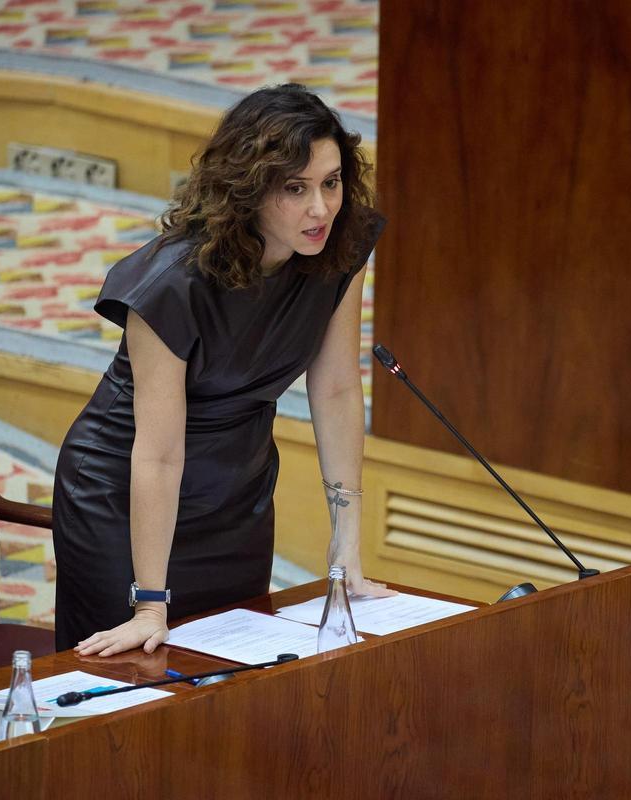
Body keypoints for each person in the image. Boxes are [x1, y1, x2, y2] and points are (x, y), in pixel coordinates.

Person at [53, 83, 395, 656]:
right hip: (123, 501)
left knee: (230, 674)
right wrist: (150, 601)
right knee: (132, 685)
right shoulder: (170, 286)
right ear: (249, 190)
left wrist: (347, 547)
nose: (321, 209)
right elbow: (158, 453)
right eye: (295, 188)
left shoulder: (340, 246)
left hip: (237, 498)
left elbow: (334, 388)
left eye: (331, 183)